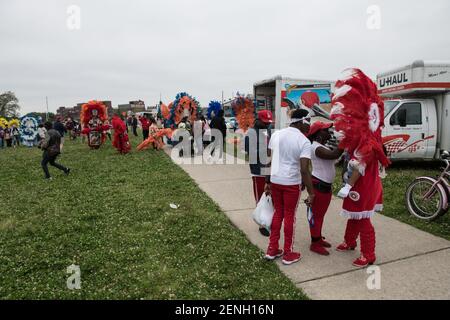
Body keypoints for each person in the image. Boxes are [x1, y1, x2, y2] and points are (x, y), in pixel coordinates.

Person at [331, 69, 390, 268]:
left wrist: (348, 186)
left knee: (363, 219)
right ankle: (349, 242)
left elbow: (358, 167)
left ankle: (369, 254)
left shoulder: (369, 142)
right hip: (364, 185)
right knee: (353, 214)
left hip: (362, 187)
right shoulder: (369, 138)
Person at [264, 109, 315, 266]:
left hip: (276, 180)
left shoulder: (277, 134)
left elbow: (270, 159)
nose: (310, 126)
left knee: (278, 213)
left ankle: (272, 249)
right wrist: (311, 192)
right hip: (291, 182)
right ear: (301, 122)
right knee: (289, 216)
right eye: (308, 122)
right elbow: (304, 169)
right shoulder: (304, 141)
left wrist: (267, 181)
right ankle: (288, 253)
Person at [307, 121, 343, 256]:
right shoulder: (315, 147)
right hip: (319, 185)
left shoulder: (320, 145)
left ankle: (318, 238)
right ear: (318, 134)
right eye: (325, 130)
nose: (329, 132)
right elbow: (334, 155)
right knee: (316, 215)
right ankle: (314, 243)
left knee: (320, 215)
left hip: (324, 185)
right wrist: (344, 141)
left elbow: (334, 157)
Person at [245, 110, 273, 237]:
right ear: (258, 120)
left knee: (268, 196)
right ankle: (262, 224)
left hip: (268, 168)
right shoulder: (251, 133)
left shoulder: (268, 130)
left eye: (268, 122)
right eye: (265, 122)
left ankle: (268, 219)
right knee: (259, 197)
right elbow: (249, 153)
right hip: (257, 170)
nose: (267, 124)